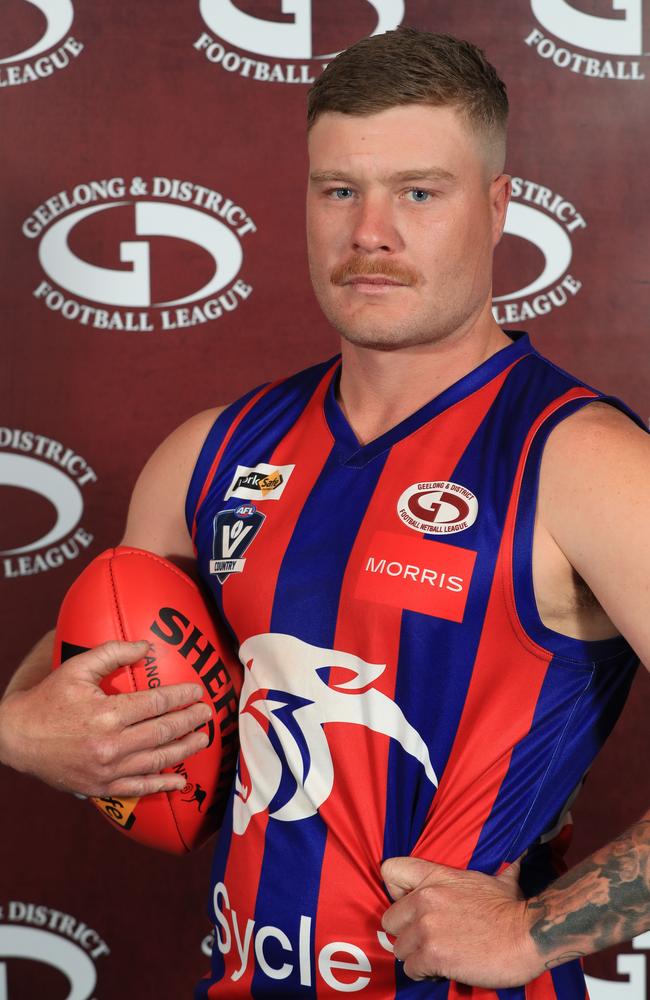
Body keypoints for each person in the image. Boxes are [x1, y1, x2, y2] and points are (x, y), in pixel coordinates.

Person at [1, 26, 648, 998]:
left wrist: (531, 933)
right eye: (338, 190)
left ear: (498, 205)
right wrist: (19, 730)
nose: (368, 233)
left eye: (417, 193)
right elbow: (92, 661)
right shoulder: (210, 452)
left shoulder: (580, 461)